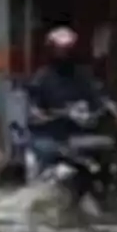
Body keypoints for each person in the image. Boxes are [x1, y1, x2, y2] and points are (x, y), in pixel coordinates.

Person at [26, 26, 107, 171]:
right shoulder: (42, 77)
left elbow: (97, 100)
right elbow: (34, 108)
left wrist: (96, 112)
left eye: (68, 49)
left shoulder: (83, 75)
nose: (64, 53)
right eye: (59, 49)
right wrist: (55, 114)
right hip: (51, 135)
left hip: (81, 134)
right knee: (43, 153)